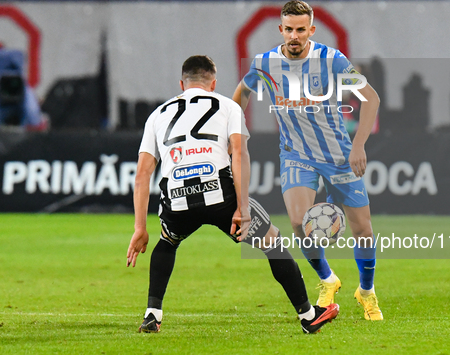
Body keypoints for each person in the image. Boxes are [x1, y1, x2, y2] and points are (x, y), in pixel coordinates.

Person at [126, 55, 339, 334]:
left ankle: (152, 315)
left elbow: (142, 174)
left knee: (168, 240)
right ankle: (308, 315)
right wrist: (243, 209)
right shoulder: (227, 106)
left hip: (176, 197)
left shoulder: (157, 114)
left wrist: (140, 228)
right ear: (213, 83)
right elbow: (239, 154)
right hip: (219, 194)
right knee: (272, 242)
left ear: (181, 83)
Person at [233, 0, 383, 320]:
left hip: (339, 156)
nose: (294, 35)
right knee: (300, 223)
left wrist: (358, 146)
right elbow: (241, 95)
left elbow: (371, 98)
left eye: (301, 30)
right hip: (296, 156)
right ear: (281, 30)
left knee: (363, 230)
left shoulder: (332, 59)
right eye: (289, 29)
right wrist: (234, 131)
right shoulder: (265, 63)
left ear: (311, 30)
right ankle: (328, 279)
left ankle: (366, 291)